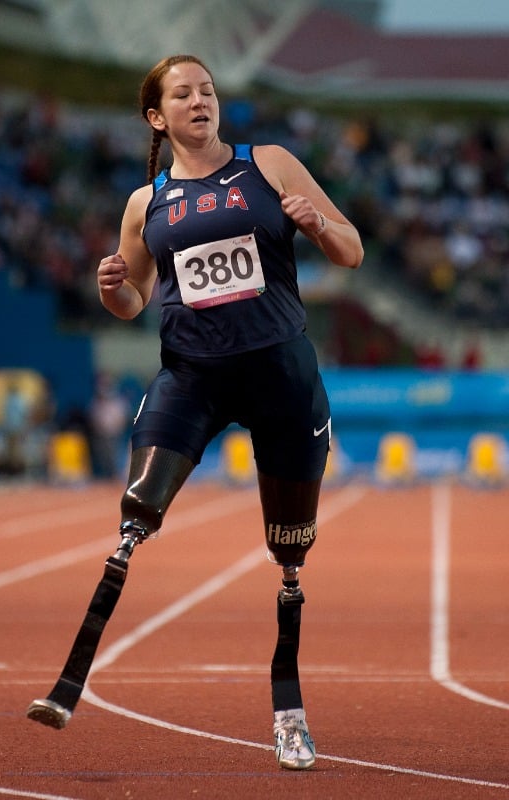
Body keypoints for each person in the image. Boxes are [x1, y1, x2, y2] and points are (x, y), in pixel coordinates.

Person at [93, 55, 362, 769]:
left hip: (281, 374)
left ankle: (289, 708)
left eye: (207, 90)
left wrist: (314, 224)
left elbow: (351, 250)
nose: (199, 100)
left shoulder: (269, 164)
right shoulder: (144, 204)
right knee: (137, 507)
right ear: (158, 117)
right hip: (193, 377)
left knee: (291, 550)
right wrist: (112, 286)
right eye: (182, 94)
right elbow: (132, 304)